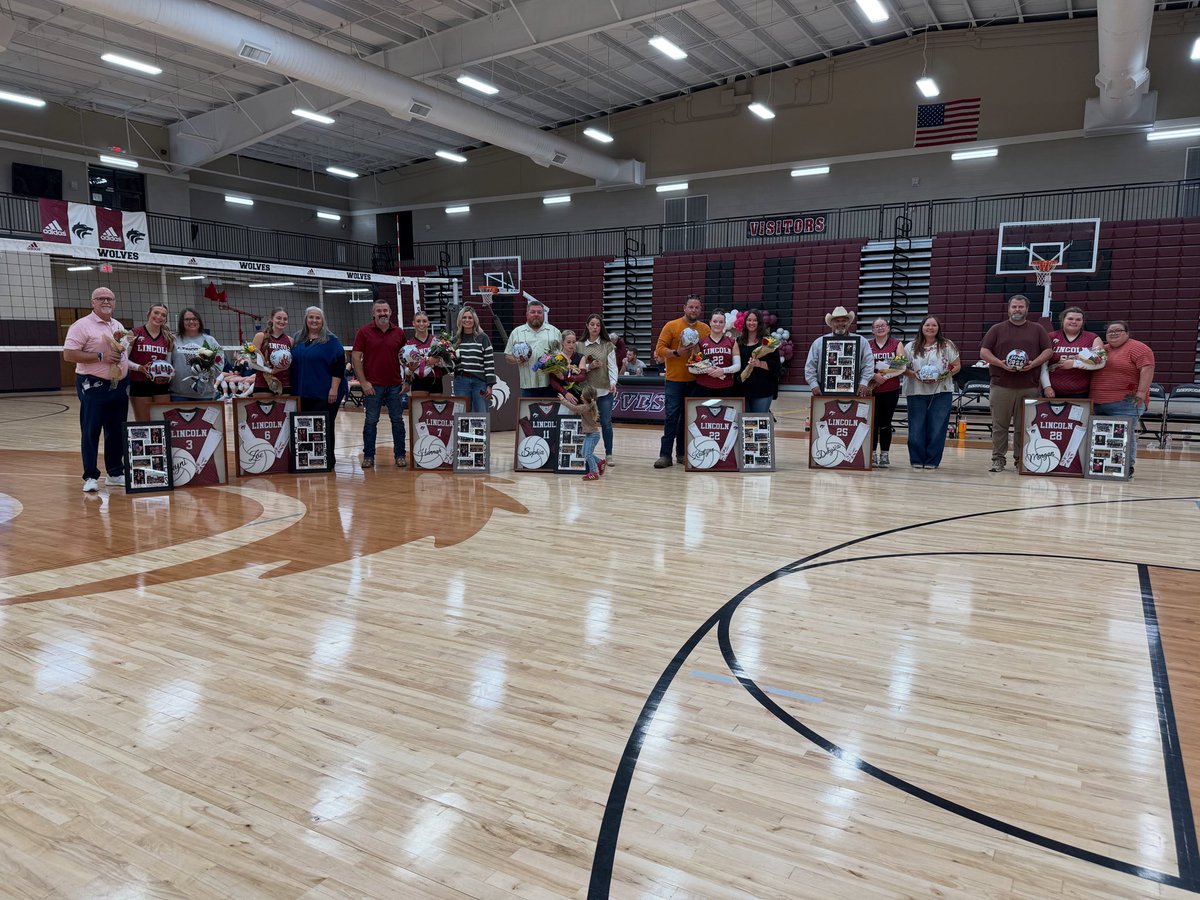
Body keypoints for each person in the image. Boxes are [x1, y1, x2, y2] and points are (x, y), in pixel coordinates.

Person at [61, 286, 129, 492]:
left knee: (116, 430)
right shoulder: (81, 326)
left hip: (118, 385)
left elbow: (122, 355)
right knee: (91, 430)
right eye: (101, 298)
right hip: (93, 384)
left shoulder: (117, 325)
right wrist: (100, 357)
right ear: (93, 302)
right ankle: (90, 476)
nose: (106, 302)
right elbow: (69, 354)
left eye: (110, 298)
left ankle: (115, 473)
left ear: (115, 302)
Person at [979, 295, 1053, 473]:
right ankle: (998, 459)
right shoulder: (997, 329)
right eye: (1014, 307)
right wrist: (1000, 363)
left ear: (1027, 309)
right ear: (1009, 308)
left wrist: (1033, 364)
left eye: (1021, 307)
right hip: (1001, 385)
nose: (1017, 310)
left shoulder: (1037, 329)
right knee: (999, 426)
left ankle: (1021, 459)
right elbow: (984, 351)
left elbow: (1048, 350)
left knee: (1025, 427)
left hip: (1028, 386)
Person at [653, 293, 710, 468]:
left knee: (689, 419)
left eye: (697, 307)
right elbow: (660, 350)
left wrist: (698, 352)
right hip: (674, 380)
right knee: (671, 417)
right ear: (684, 308)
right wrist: (677, 352)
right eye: (690, 307)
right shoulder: (672, 326)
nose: (693, 310)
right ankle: (665, 455)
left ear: (700, 310)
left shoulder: (705, 329)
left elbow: (708, 353)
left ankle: (682, 453)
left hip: (696, 381)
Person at [1090, 320, 1155, 469]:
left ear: (1127, 333)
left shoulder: (1139, 348)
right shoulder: (1102, 350)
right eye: (1110, 331)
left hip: (1126, 402)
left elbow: (1147, 369)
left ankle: (1126, 467)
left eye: (1118, 331)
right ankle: (1101, 467)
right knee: (1100, 437)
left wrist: (1141, 393)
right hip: (1097, 402)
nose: (1113, 333)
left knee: (1124, 436)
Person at [352, 300, 408, 468]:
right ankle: (368, 456)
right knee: (370, 421)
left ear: (390, 312)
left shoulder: (399, 332)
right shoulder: (364, 332)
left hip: (395, 385)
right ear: (373, 313)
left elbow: (407, 358)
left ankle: (400, 455)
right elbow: (355, 358)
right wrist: (363, 382)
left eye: (385, 310)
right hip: (372, 386)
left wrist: (408, 379)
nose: (382, 313)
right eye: (379, 311)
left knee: (397, 421)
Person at [903, 316, 961, 470]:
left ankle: (932, 460)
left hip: (941, 392)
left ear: (938, 328)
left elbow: (956, 365)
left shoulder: (947, 345)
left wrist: (942, 376)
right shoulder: (910, 346)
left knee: (937, 428)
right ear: (922, 327)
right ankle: (916, 458)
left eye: (934, 325)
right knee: (916, 427)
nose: (930, 328)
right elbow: (901, 368)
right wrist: (915, 375)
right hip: (916, 392)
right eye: (927, 325)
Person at [804, 306, 874, 398]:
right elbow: (810, 366)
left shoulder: (861, 341)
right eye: (837, 321)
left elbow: (868, 363)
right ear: (831, 323)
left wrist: (864, 382)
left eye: (844, 320)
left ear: (849, 323)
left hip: (855, 390)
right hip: (824, 391)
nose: (840, 323)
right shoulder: (819, 343)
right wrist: (814, 384)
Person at [291, 306, 347, 420]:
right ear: (306, 319)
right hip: (301, 393)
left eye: (318, 318)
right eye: (311, 317)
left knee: (323, 429)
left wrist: (334, 389)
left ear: (323, 321)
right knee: (304, 428)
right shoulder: (297, 338)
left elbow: (339, 366)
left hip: (325, 394)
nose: (314, 320)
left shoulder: (331, 340)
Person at [579, 314, 619, 465]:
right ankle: (586, 453)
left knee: (606, 422)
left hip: (604, 390)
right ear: (587, 326)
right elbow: (577, 367)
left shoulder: (608, 345)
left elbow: (613, 366)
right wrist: (590, 367)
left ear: (601, 328)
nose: (595, 327)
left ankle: (609, 455)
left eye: (598, 325)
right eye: (592, 324)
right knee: (586, 423)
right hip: (586, 391)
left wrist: (613, 382)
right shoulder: (579, 345)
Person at [1042, 306, 1104, 399]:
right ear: (1063, 319)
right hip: (1052, 392)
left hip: (1081, 392)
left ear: (1083, 322)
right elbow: (1043, 365)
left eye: (1078, 319)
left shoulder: (1093, 338)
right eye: (1070, 318)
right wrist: (1047, 386)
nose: (1074, 322)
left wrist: (1075, 363)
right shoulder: (1050, 337)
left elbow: (1101, 362)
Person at [505, 299, 563, 397]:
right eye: (532, 312)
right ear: (527, 314)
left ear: (543, 314)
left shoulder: (554, 332)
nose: (536, 314)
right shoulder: (517, 332)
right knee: (528, 413)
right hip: (528, 386)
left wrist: (555, 362)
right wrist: (517, 360)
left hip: (551, 384)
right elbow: (507, 357)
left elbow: (564, 355)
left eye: (539, 312)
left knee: (550, 413)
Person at [127, 303, 174, 420]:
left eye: (163, 315)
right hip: (139, 382)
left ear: (166, 319)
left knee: (162, 422)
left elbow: (168, 363)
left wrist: (170, 372)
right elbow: (124, 360)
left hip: (161, 384)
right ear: (148, 314)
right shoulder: (134, 333)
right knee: (143, 422)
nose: (159, 317)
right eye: (156, 313)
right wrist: (140, 368)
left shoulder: (168, 338)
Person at [867, 318, 904, 467]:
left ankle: (885, 454)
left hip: (890, 389)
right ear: (872, 330)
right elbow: (862, 364)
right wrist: (874, 376)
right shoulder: (867, 345)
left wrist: (884, 376)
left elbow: (901, 365)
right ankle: (872, 454)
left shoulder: (897, 344)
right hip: (872, 389)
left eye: (883, 325)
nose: (880, 328)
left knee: (886, 423)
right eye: (877, 326)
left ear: (888, 328)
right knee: (873, 423)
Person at [170, 308, 224, 402]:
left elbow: (219, 364)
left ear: (199, 321)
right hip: (178, 394)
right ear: (182, 322)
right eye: (187, 319)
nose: (191, 321)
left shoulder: (210, 340)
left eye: (195, 319)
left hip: (204, 394)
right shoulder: (173, 339)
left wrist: (207, 372)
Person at [453, 305, 496, 414]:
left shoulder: (483, 338)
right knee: (461, 415)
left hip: (480, 383)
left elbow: (489, 363)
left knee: (481, 414)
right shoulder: (455, 340)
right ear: (460, 320)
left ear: (475, 320)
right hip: (461, 381)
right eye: (464, 317)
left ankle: (483, 432)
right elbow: (452, 364)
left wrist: (490, 385)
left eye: (470, 318)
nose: (467, 320)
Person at [738, 309, 781, 414]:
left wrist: (760, 364)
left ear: (760, 323)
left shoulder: (769, 341)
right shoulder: (738, 341)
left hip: (763, 389)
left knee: (760, 422)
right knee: (745, 424)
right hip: (743, 389)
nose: (751, 323)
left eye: (755, 320)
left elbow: (776, 365)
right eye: (749, 320)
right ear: (745, 322)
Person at [557, 386, 604, 480]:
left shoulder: (586, 407)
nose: (581, 395)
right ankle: (600, 462)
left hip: (593, 435)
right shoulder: (590, 405)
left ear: (585, 397)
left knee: (588, 454)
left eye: (582, 394)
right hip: (590, 434)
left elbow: (574, 408)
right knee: (583, 453)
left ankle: (594, 472)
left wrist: (563, 400)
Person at [694, 311, 741, 397]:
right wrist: (707, 370)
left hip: (726, 387)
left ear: (724, 324)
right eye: (715, 321)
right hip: (704, 386)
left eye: (721, 322)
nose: (717, 324)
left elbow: (737, 366)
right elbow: (692, 368)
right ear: (710, 322)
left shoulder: (732, 342)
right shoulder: (700, 343)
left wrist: (723, 370)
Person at [252, 307, 293, 396]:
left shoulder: (290, 340)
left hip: (284, 384)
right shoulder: (260, 336)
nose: (282, 321)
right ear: (272, 319)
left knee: (285, 410)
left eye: (285, 319)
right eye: (278, 318)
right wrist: (270, 371)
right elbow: (252, 362)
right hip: (263, 383)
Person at [407, 311, 447, 394]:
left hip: (436, 379)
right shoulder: (409, 344)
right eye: (418, 321)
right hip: (418, 381)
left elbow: (446, 362)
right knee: (419, 407)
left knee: (437, 407)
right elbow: (407, 370)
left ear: (428, 323)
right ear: (413, 323)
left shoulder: (436, 341)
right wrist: (411, 368)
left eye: (424, 321)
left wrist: (438, 360)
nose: (421, 324)